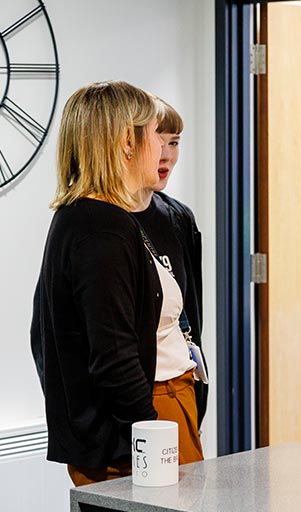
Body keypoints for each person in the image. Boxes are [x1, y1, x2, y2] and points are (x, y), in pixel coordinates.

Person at [30, 81, 202, 487]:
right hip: (136, 426)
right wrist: (151, 431)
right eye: (153, 134)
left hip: (143, 415)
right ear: (128, 141)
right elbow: (113, 355)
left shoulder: (87, 218)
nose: (161, 148)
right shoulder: (101, 228)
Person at [132, 97, 209, 430]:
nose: (165, 154)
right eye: (157, 141)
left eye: (174, 142)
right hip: (128, 403)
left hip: (179, 387)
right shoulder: (101, 222)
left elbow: (191, 312)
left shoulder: (178, 218)